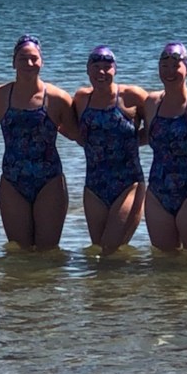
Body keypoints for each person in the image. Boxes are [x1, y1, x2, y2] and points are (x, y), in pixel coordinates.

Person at [0, 35, 81, 251]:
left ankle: (47, 286)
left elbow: (78, 135)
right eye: (22, 59)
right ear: (13, 62)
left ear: (42, 61)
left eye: (34, 58)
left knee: (48, 252)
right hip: (13, 180)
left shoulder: (58, 98)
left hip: (49, 180)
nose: (29, 64)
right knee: (18, 252)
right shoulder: (0, 96)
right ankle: (20, 286)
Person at [73, 46, 149, 255]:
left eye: (107, 67)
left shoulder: (132, 96)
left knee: (109, 248)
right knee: (100, 252)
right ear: (87, 70)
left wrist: (133, 142)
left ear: (115, 70)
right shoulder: (81, 99)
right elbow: (68, 126)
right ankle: (110, 288)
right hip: (94, 185)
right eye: (96, 67)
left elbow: (159, 127)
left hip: (128, 182)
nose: (101, 72)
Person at [143, 42, 187, 252]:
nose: (170, 71)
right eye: (165, 65)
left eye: (176, 65)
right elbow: (139, 135)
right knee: (163, 261)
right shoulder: (151, 102)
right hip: (157, 190)